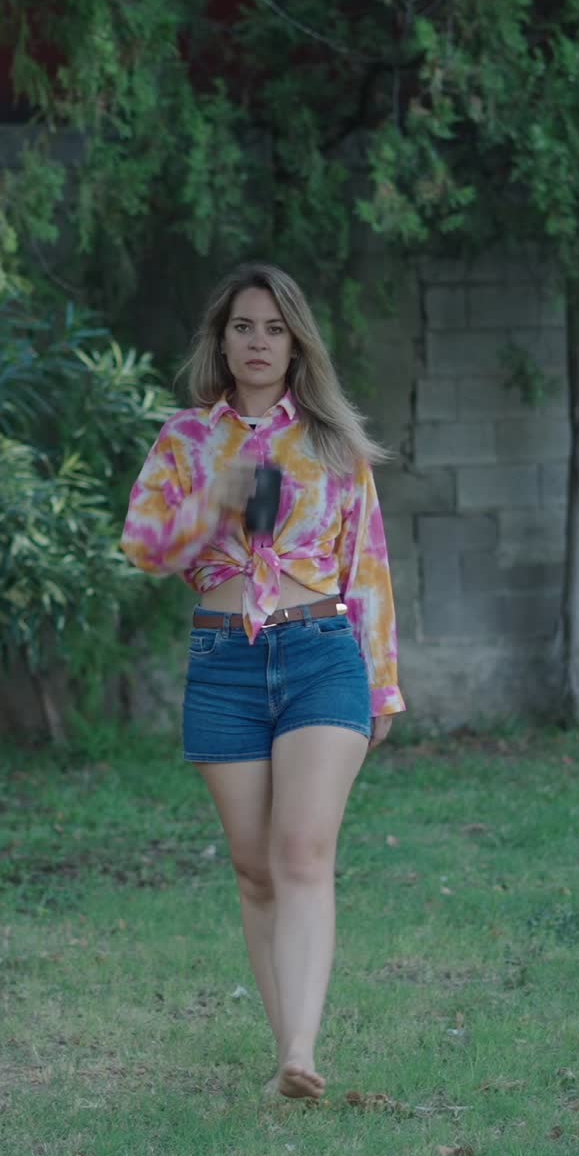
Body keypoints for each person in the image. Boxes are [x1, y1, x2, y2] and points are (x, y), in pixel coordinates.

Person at [120, 262, 406, 1100]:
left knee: (302, 851)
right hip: (225, 663)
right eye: (243, 326)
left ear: (296, 343)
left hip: (320, 651)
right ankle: (287, 1051)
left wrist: (382, 682)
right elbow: (143, 546)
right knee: (253, 868)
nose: (257, 341)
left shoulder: (332, 442)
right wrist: (215, 504)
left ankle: (301, 1052)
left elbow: (370, 567)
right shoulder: (184, 439)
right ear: (222, 339)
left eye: (274, 328)